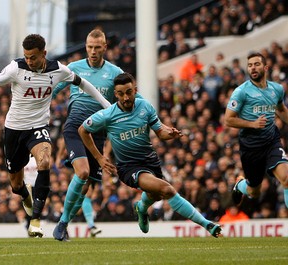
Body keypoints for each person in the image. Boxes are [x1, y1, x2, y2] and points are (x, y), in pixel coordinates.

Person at [53, 72, 222, 241]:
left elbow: (160, 132)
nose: (125, 97)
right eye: (120, 94)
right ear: (115, 95)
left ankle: (141, 208)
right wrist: (99, 157)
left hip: (151, 161)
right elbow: (83, 130)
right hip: (129, 167)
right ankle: (207, 224)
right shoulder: (108, 115)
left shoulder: (145, 106)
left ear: (135, 90)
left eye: (128, 92)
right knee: (167, 189)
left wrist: (170, 134)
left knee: (155, 195)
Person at [0, 34, 110, 237]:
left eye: (33, 57)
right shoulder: (16, 67)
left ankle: (35, 220)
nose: (29, 61)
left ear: (44, 54)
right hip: (14, 129)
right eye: (26, 57)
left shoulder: (58, 70)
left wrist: (107, 106)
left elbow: (83, 84)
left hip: (38, 127)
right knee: (16, 185)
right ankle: (25, 196)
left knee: (45, 162)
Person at [52, 29, 124, 237]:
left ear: (105, 47)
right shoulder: (74, 68)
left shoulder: (114, 73)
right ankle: (62, 225)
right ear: (86, 47)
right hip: (75, 126)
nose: (93, 51)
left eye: (97, 47)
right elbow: (54, 90)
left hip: (98, 133)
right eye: (89, 47)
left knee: (85, 188)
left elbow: (127, 98)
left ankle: (64, 222)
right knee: (82, 173)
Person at [225, 52, 288, 210]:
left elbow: (281, 109)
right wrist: (252, 124)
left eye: (256, 64)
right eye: (250, 65)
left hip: (271, 141)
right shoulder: (241, 92)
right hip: (251, 146)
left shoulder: (277, 89)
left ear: (265, 67)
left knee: (286, 178)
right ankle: (240, 185)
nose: (253, 68)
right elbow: (228, 119)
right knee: (254, 192)